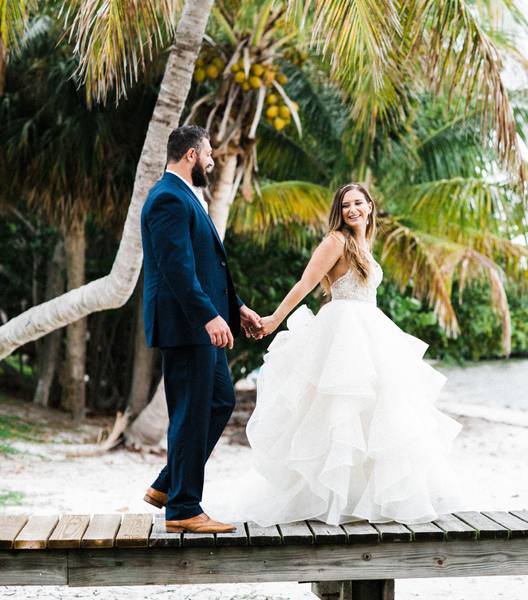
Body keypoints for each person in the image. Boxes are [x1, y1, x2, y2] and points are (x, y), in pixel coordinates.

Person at [225, 183, 465, 526]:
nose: (352, 209)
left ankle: (363, 500)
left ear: (369, 206)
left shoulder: (365, 243)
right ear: (340, 210)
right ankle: (328, 501)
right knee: (337, 414)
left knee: (379, 416)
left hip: (371, 330)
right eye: (346, 204)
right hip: (343, 331)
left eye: (358, 202)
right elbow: (305, 284)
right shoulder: (335, 241)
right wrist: (275, 320)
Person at [139, 125, 263, 533]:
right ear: (191, 154)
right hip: (187, 327)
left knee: (219, 401)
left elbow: (209, 268)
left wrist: (236, 307)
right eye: (208, 153)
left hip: (203, 322)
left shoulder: (185, 197)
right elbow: (177, 269)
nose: (212, 160)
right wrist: (208, 316)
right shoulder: (167, 199)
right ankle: (183, 509)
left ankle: (168, 483)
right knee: (191, 412)